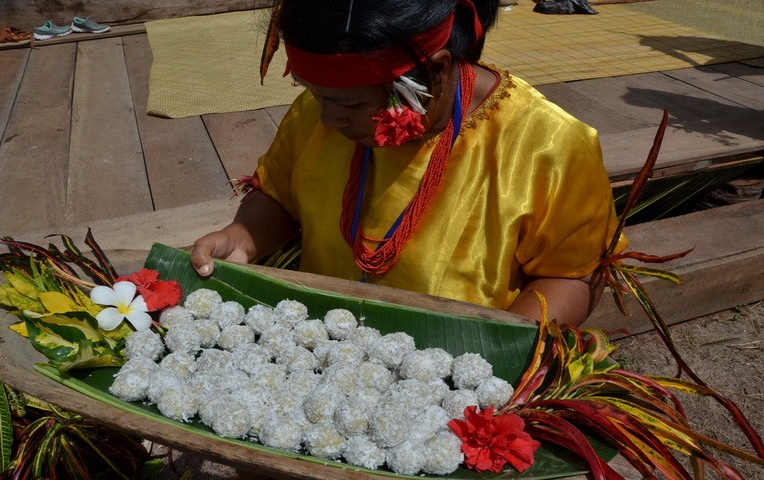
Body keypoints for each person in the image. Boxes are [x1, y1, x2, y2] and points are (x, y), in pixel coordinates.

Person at [190, 0, 626, 326]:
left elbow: (572, 277)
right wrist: (242, 238)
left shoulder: (548, 145)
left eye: (351, 102)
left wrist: (501, 346)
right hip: (321, 342)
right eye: (313, 92)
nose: (326, 117)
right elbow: (280, 196)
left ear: (435, 72)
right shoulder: (320, 115)